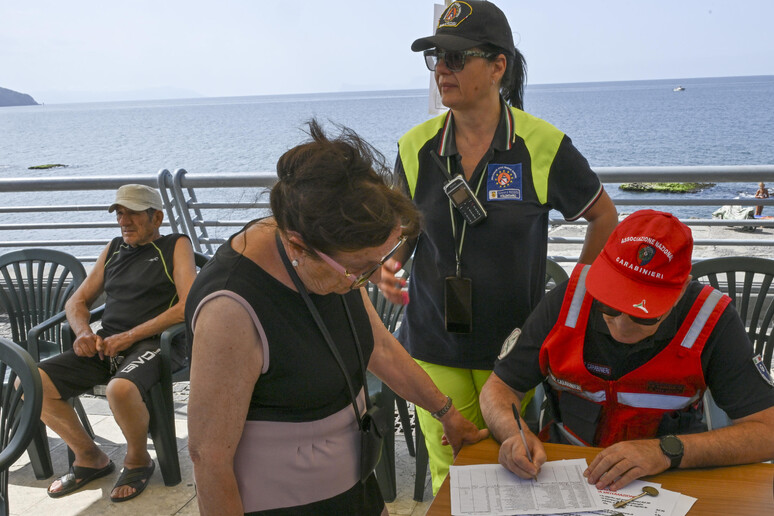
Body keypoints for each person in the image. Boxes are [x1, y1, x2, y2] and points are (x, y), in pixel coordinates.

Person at [185, 120, 488, 516]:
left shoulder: (331, 255)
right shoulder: (230, 309)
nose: (367, 279)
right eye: (362, 269)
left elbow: (377, 344)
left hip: (354, 483)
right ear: (300, 245)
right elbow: (208, 457)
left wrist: (447, 413)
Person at [377, 0, 618, 493]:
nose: (441, 69)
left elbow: (604, 215)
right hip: (431, 340)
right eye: (435, 58)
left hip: (513, 347)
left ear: (497, 66)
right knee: (452, 470)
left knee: (511, 469)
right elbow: (408, 227)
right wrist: (391, 263)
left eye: (456, 58)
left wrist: (576, 295)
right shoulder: (413, 147)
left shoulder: (542, 145)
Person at [480, 209, 774, 491]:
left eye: (643, 313)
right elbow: (500, 388)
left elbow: (766, 431)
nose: (620, 326)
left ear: (681, 290)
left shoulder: (712, 319)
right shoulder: (567, 300)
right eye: (610, 303)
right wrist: (514, 435)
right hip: (566, 467)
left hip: (669, 476)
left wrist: (666, 451)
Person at [38, 184, 196, 502]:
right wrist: (83, 333)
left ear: (157, 217)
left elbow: (187, 303)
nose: (124, 220)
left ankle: (138, 459)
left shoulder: (175, 245)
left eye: (134, 213)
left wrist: (130, 336)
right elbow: (77, 301)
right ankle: (90, 457)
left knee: (119, 389)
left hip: (157, 345)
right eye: (120, 213)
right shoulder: (113, 249)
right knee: (32, 382)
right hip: (107, 345)